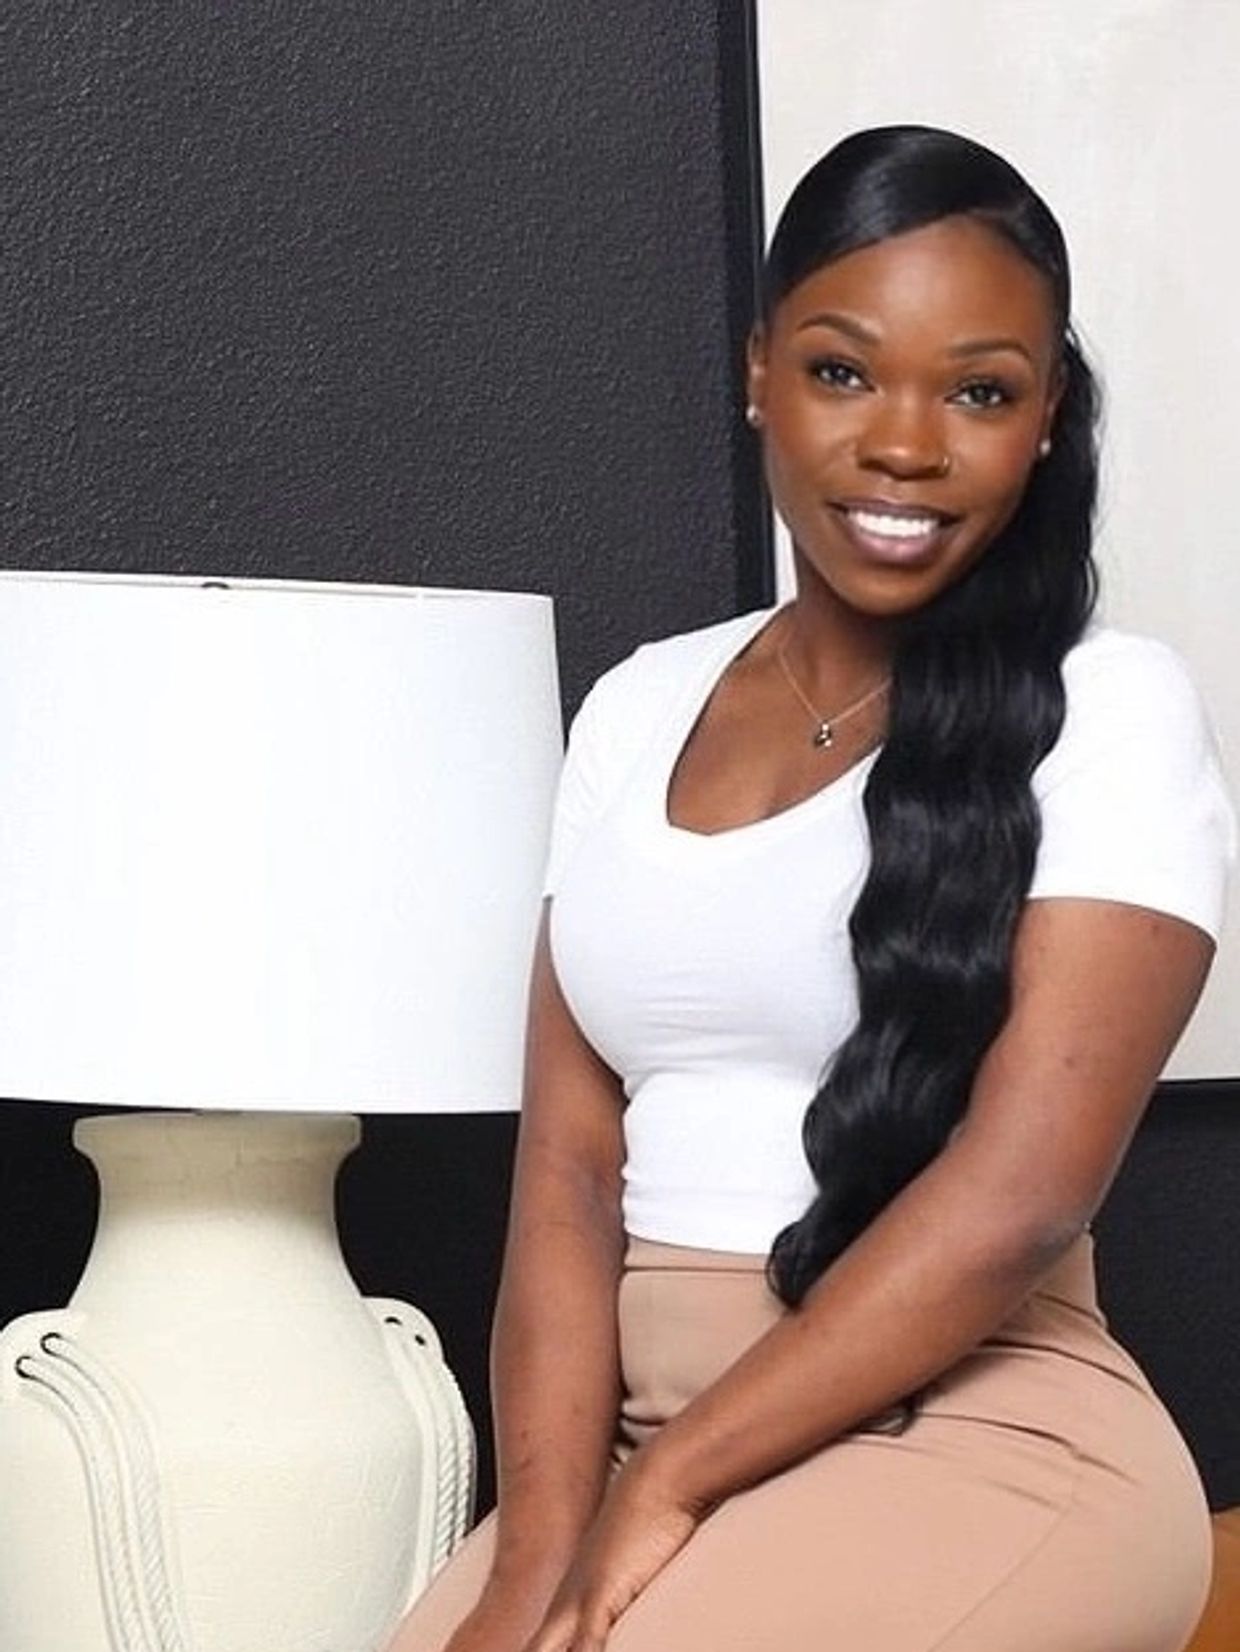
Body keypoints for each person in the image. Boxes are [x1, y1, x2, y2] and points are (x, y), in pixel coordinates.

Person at [387, 125, 1235, 1652]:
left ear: (1042, 424)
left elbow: (1023, 1194)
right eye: (845, 371)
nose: (905, 445)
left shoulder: (1110, 709)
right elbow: (570, 1182)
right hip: (637, 1442)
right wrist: (540, 1547)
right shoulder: (639, 707)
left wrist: (667, 1500)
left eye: (979, 391)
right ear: (759, 372)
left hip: (975, 1434)